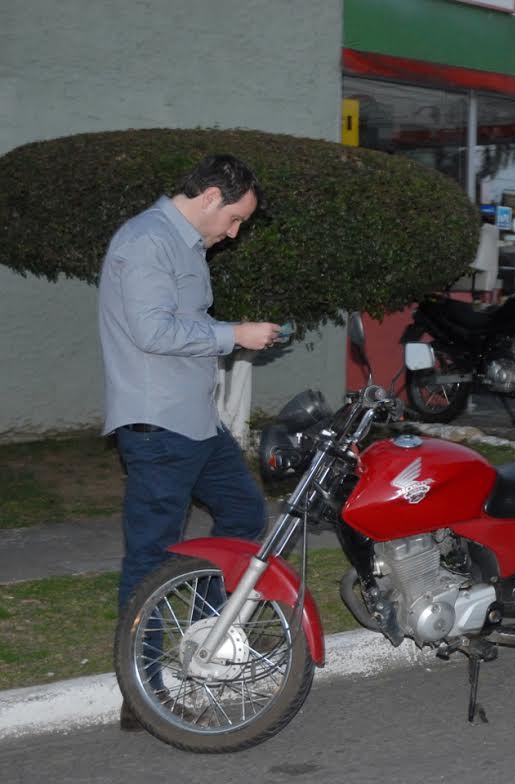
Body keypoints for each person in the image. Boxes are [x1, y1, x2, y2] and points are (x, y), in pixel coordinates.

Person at [98, 154, 280, 728]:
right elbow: (152, 330)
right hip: (158, 428)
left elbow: (181, 325)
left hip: (195, 421)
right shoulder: (146, 241)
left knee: (244, 514)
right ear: (210, 197)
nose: (235, 232)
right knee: (150, 557)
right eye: (234, 218)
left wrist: (228, 336)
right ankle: (141, 696)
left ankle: (207, 632)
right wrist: (235, 334)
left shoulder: (185, 245)